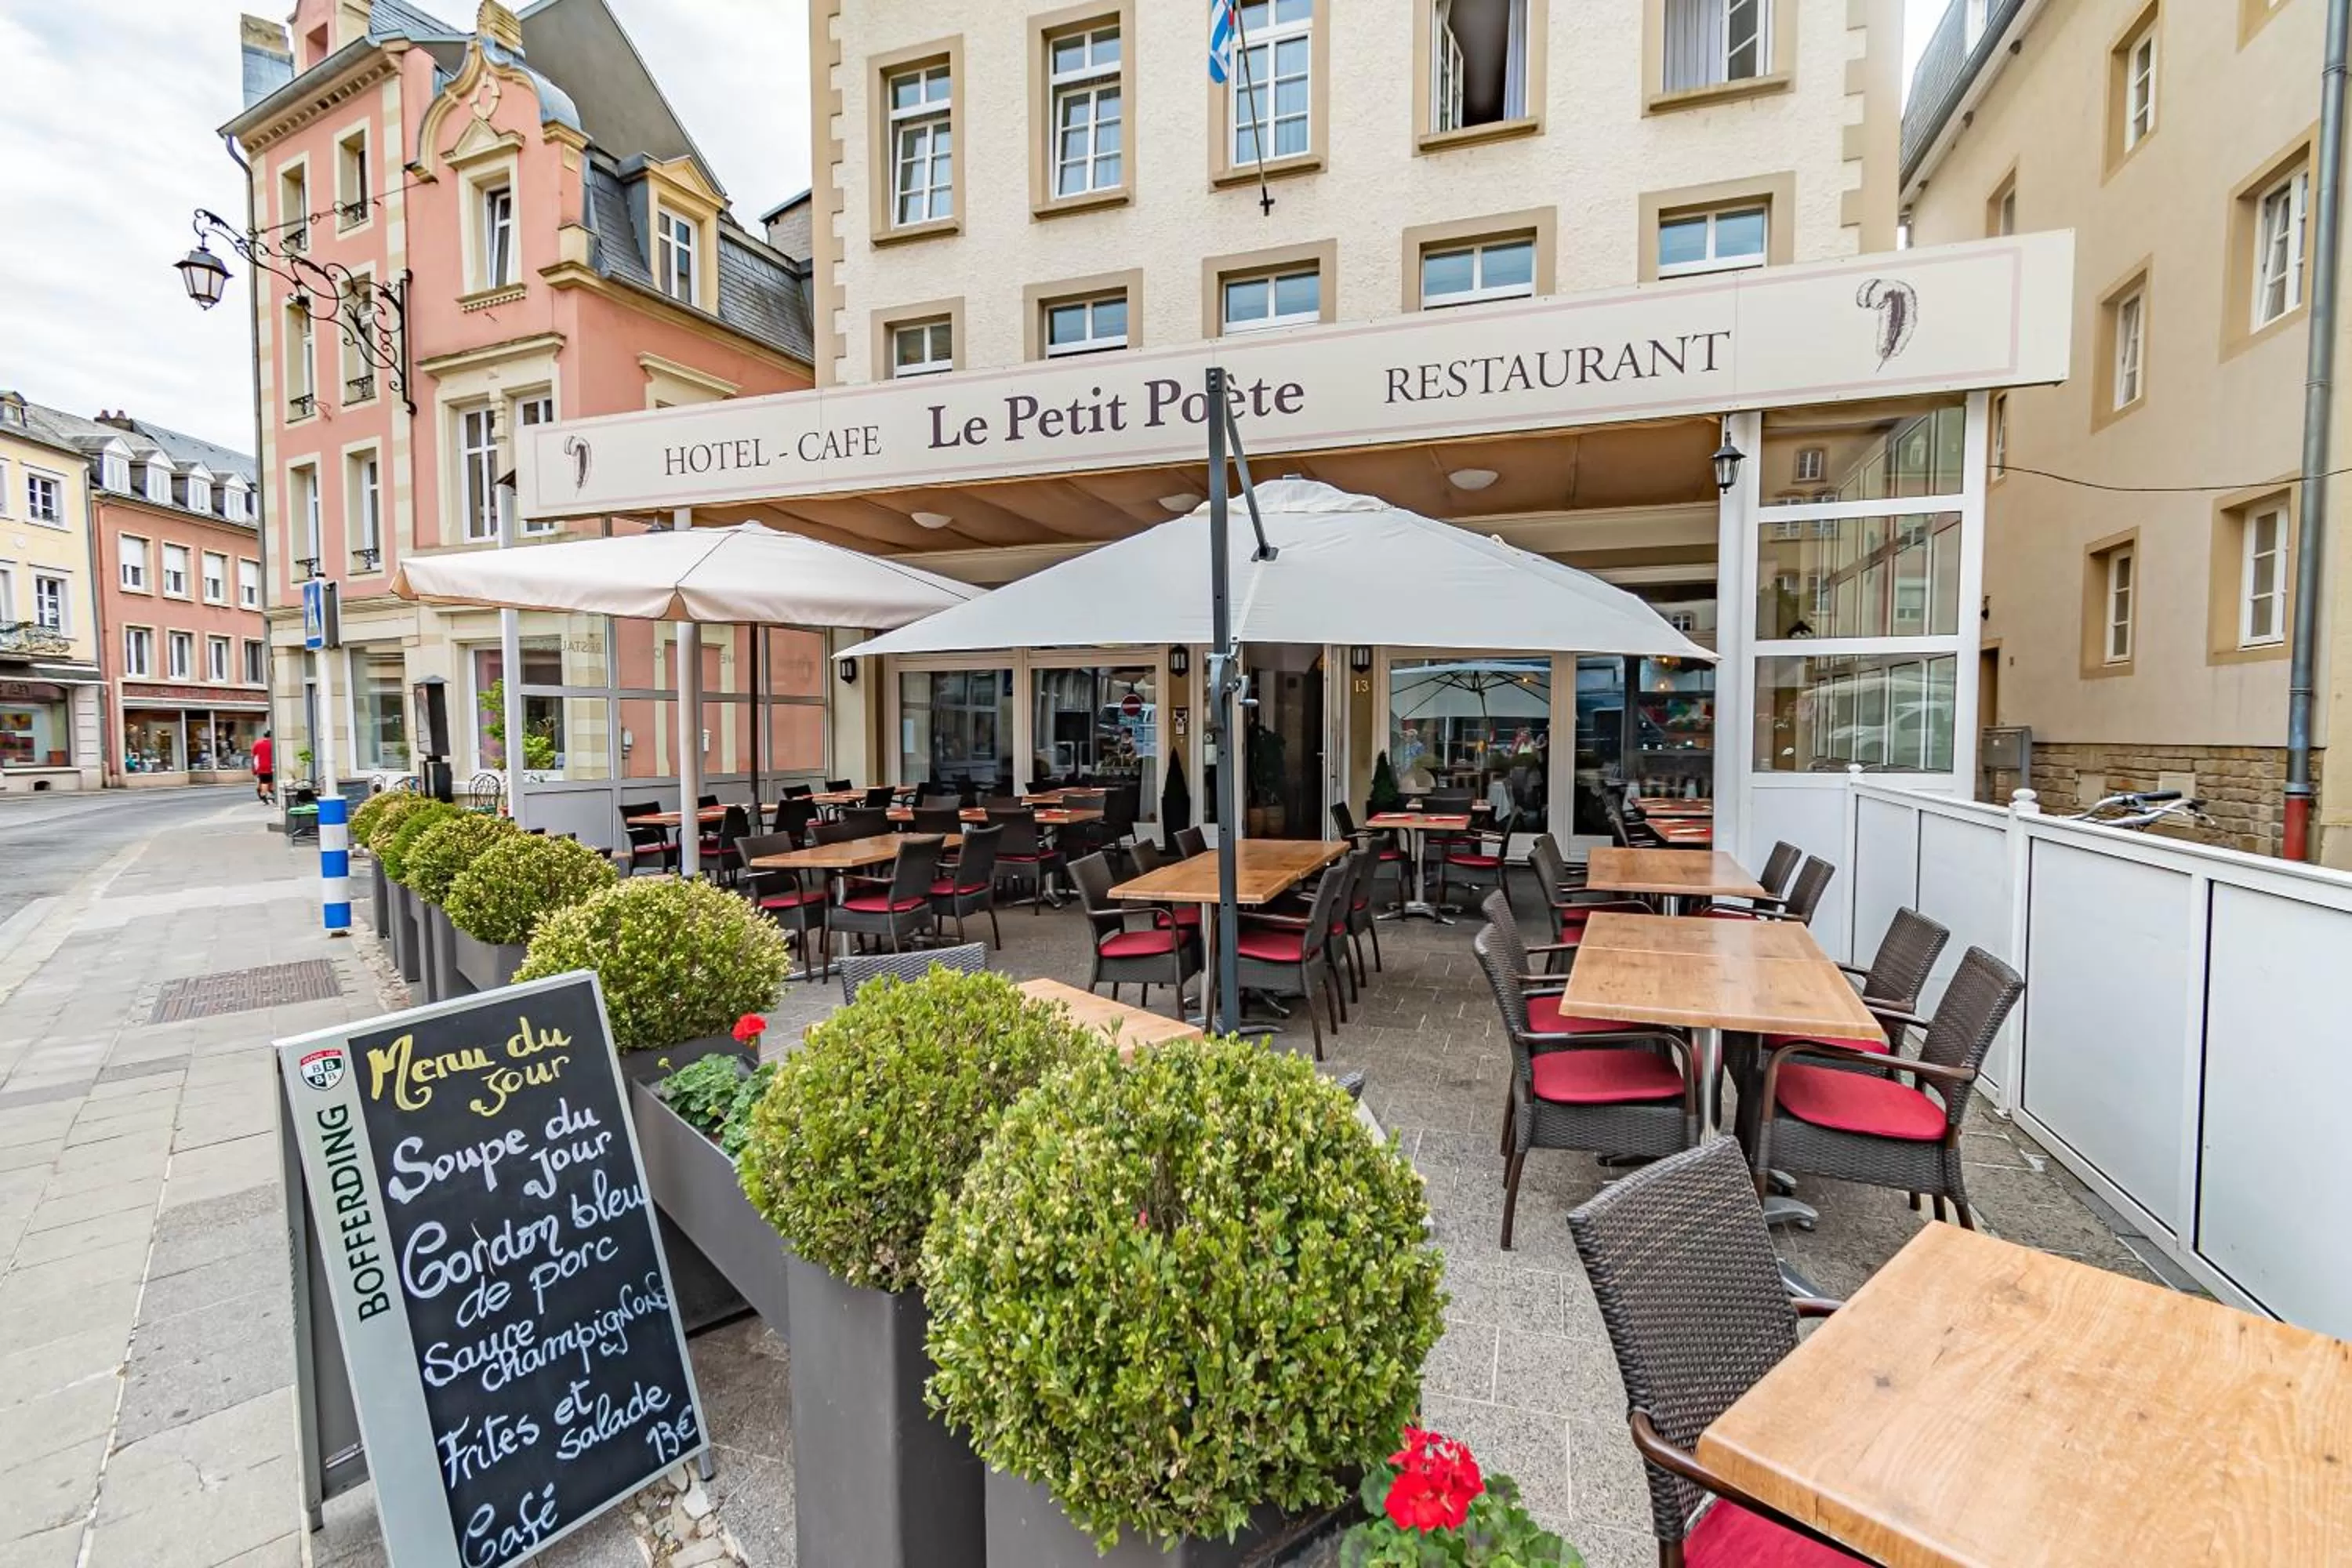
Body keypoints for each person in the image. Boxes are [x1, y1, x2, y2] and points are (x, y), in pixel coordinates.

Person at [253, 730, 274, 805]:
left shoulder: (257, 743)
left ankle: (262, 793)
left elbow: (254, 756)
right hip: (270, 766)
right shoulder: (272, 744)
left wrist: (254, 768)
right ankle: (264, 795)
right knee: (267, 782)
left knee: (264, 781)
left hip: (260, 766)